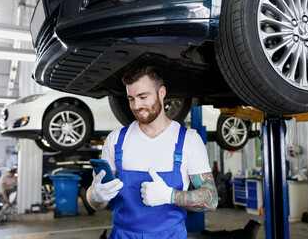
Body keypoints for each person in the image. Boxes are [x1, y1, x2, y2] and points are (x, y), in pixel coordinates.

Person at [86, 66, 218, 238]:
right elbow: (97, 204)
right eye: (131, 99)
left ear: (161, 92)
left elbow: (211, 199)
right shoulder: (116, 140)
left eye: (143, 97)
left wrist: (170, 196)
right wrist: (95, 196)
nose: (136, 105)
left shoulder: (188, 140)